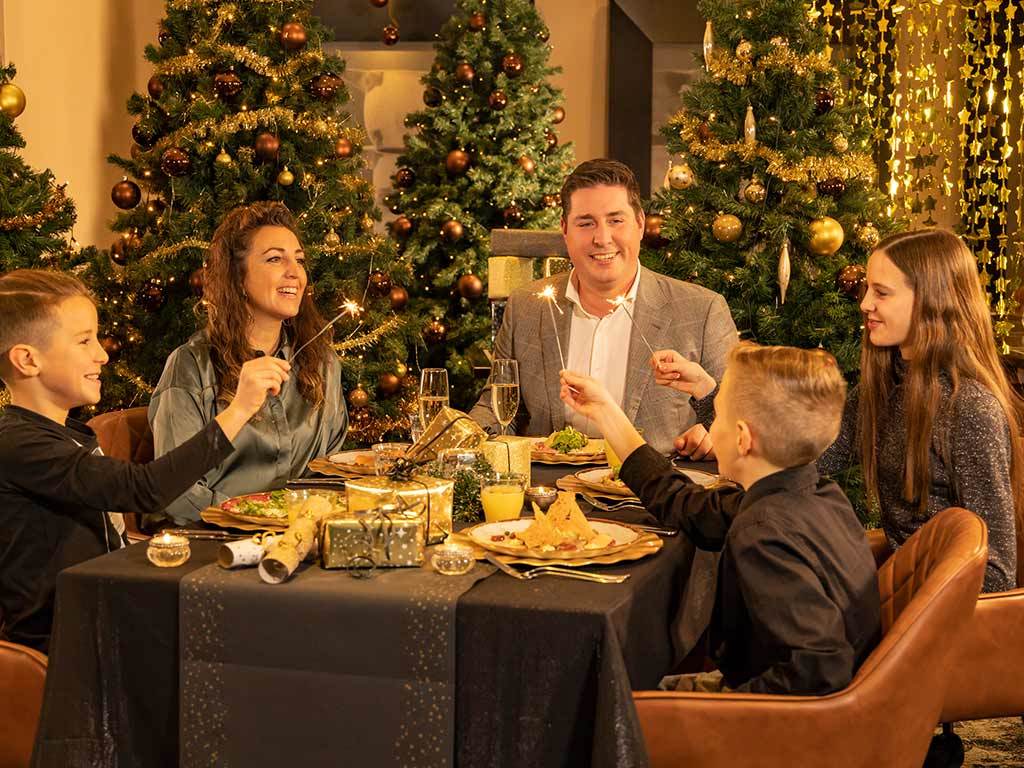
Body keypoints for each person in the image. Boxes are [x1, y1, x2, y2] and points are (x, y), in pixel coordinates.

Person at [560, 343, 881, 695]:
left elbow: (822, 668)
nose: (710, 432)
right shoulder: (815, 495)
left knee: (601, 697)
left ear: (742, 439)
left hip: (773, 717)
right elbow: (688, 505)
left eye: (715, 416)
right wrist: (606, 412)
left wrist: (721, 713)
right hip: (795, 698)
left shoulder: (764, 536)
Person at [0, 269, 289, 651]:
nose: (102, 354)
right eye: (84, 341)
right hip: (67, 648)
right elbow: (144, 489)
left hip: (110, 618)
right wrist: (239, 409)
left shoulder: (66, 434)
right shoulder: (19, 444)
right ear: (27, 360)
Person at [468, 158, 737, 456]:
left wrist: (711, 431)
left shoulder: (702, 310)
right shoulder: (527, 307)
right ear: (565, 230)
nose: (602, 238)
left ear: (640, 224)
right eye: (586, 223)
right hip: (547, 482)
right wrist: (460, 437)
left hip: (654, 484)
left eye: (615, 221)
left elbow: (739, 420)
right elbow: (497, 409)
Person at [819, 228, 1022, 593]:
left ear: (932, 300)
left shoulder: (970, 408)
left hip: (930, 615)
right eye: (867, 289)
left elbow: (994, 573)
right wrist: (718, 404)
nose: (865, 304)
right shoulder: (884, 387)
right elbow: (819, 456)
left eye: (881, 292)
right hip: (899, 595)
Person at [149, 201, 348, 525]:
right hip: (214, 539)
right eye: (274, 259)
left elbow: (331, 469)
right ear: (238, 278)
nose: (294, 272)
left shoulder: (322, 362)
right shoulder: (191, 366)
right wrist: (259, 518)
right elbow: (176, 492)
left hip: (302, 537)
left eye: (299, 260)